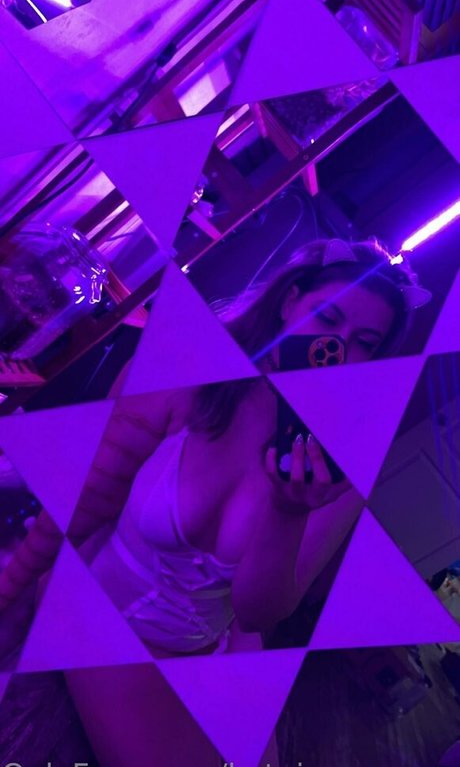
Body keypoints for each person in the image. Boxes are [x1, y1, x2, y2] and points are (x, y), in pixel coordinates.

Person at [0, 237, 431, 767]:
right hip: (95, 606)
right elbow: (83, 502)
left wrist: (288, 512)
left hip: (202, 650)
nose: (335, 345)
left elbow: (257, 612)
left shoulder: (339, 463)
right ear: (290, 300)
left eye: (364, 341)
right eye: (327, 317)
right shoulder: (183, 368)